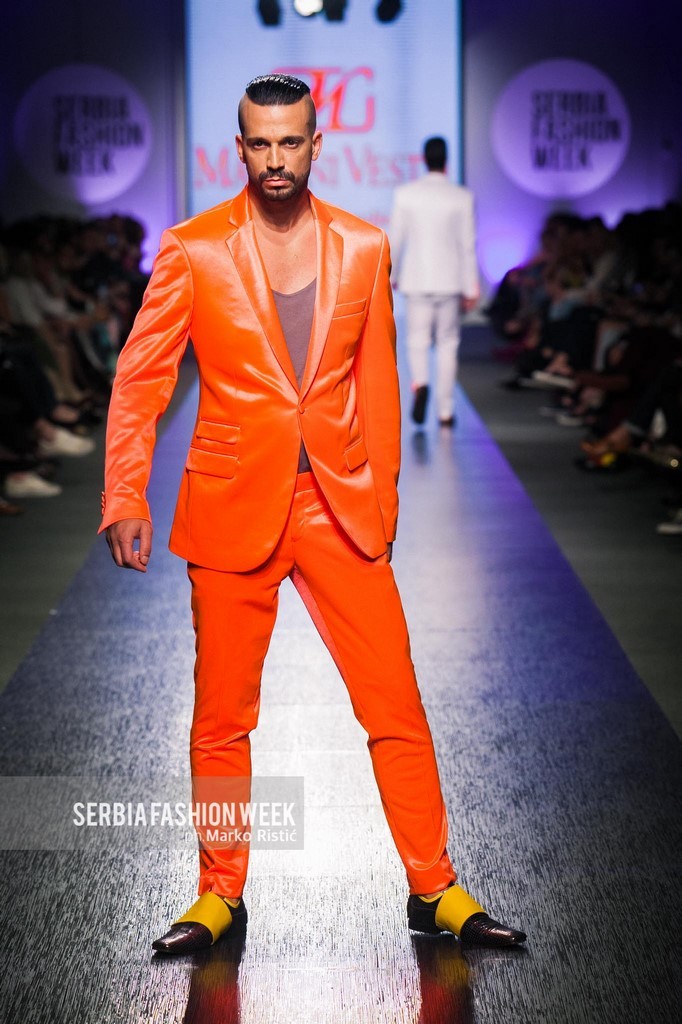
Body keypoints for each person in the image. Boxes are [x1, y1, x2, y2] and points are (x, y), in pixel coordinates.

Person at [101, 75, 525, 954]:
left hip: (338, 507)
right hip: (231, 505)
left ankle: (435, 887)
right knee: (222, 719)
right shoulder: (193, 249)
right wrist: (124, 492)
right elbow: (142, 378)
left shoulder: (364, 246)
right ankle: (220, 892)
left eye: (290, 142)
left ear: (316, 143)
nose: (275, 159)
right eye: (259, 143)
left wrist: (383, 505)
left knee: (395, 705)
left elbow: (378, 382)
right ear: (239, 147)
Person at [389, 136, 479, 426]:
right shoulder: (461, 196)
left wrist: (392, 274)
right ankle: (446, 411)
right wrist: (471, 286)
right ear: (446, 160)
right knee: (447, 344)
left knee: (417, 341)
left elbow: (396, 240)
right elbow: (467, 245)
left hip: (416, 279)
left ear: (424, 159)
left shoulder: (406, 194)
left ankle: (421, 384)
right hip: (449, 280)